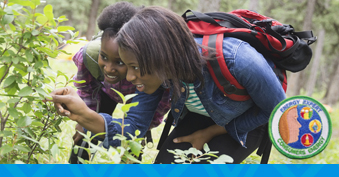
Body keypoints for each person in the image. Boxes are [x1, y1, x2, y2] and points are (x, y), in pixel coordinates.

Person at [115, 6, 287, 164]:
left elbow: (277, 109)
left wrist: (210, 133)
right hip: (203, 114)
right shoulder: (158, 70)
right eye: (128, 66)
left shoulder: (239, 60)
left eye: (135, 67)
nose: (129, 77)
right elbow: (134, 123)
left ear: (160, 55)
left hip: (250, 119)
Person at [64, 2, 171, 164]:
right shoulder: (88, 56)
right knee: (85, 136)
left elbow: (159, 106)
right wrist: (84, 120)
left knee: (132, 141)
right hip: (105, 93)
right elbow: (86, 89)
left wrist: (144, 128)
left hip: (138, 96)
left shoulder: (147, 75)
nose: (109, 68)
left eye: (120, 62)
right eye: (104, 57)